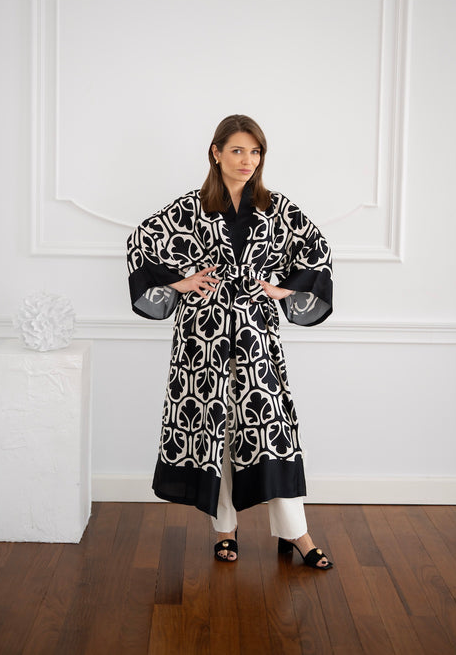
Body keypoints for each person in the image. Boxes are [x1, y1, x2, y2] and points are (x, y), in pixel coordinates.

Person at [127, 114, 333, 569]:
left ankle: (295, 532)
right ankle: (225, 528)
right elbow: (140, 243)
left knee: (272, 431)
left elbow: (317, 250)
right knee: (214, 431)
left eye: (255, 151)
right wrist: (181, 282)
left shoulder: (275, 207)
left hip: (257, 330)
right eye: (237, 150)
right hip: (202, 334)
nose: (247, 160)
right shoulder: (190, 207)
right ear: (216, 152)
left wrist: (282, 289)